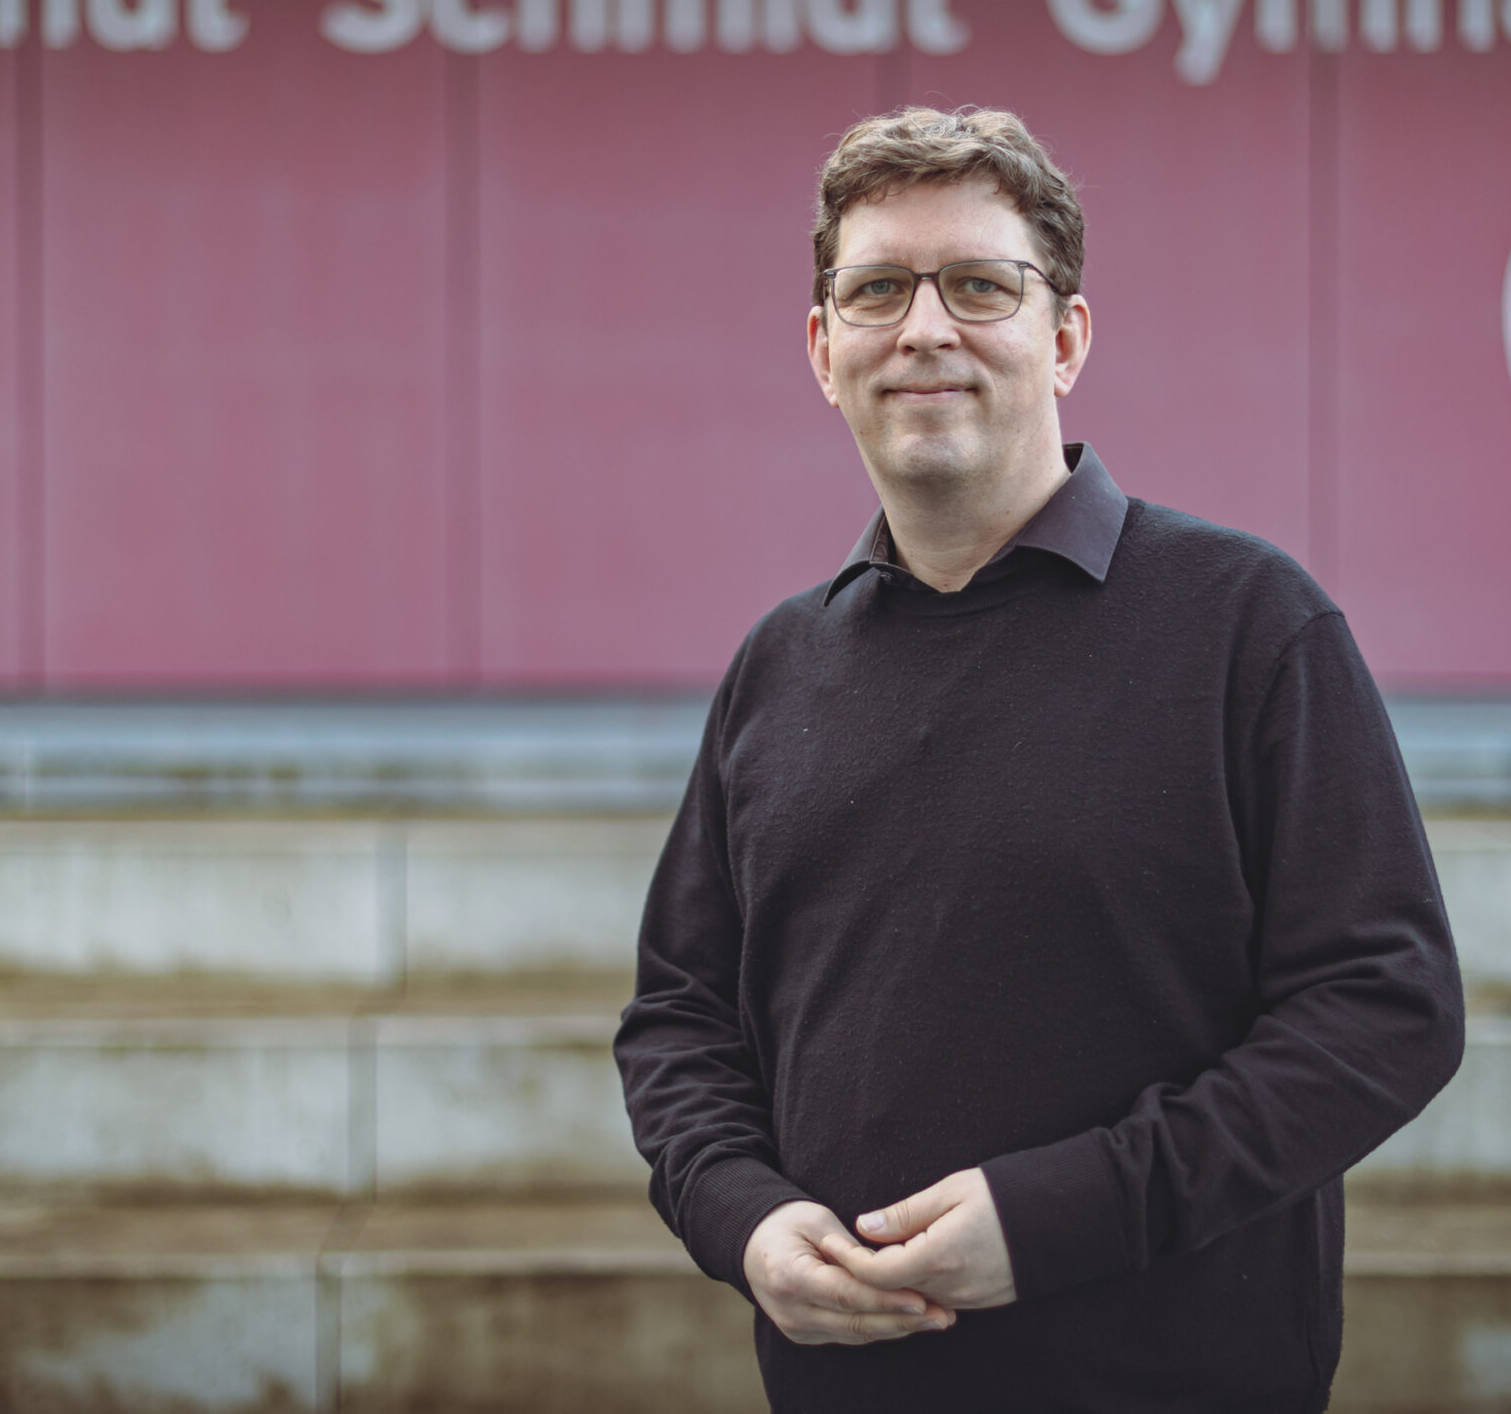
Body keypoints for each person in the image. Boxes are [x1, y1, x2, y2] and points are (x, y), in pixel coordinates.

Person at [614, 106, 1464, 1412]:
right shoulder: (780, 668)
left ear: (1064, 336)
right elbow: (682, 1015)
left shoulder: (1249, 626)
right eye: (879, 291)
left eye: (979, 286)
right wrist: (745, 1222)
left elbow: (1386, 1010)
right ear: (822, 348)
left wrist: (1057, 1218)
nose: (925, 329)